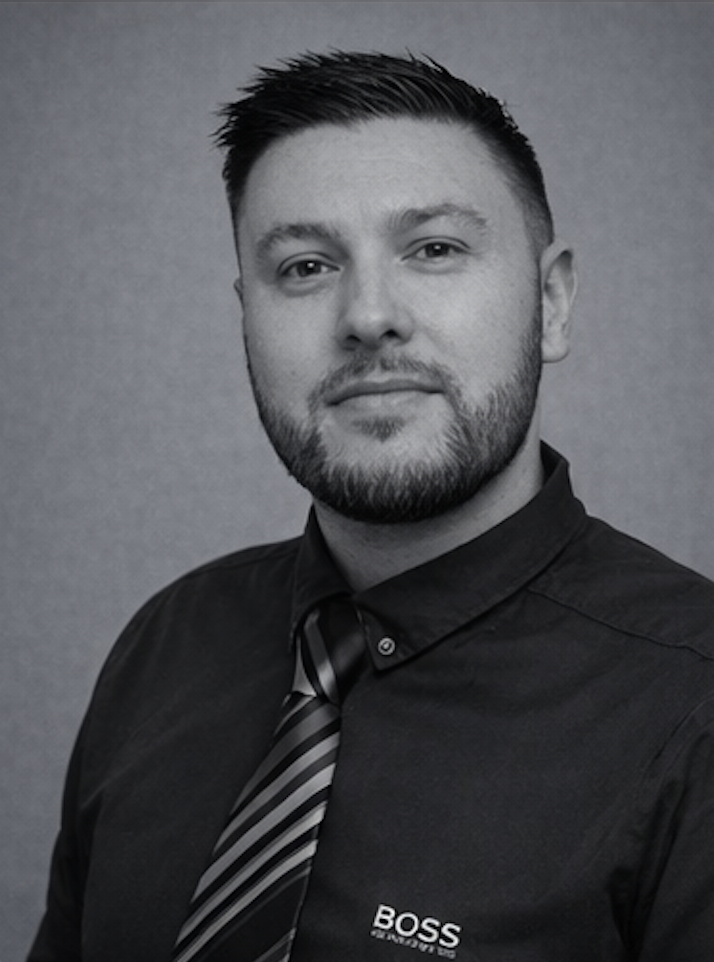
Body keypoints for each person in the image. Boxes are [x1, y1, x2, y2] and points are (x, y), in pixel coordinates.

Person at [28, 51, 714, 962]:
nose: (367, 316)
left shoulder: (694, 704)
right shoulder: (167, 640)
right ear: (247, 317)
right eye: (306, 266)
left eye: (434, 249)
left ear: (549, 303)